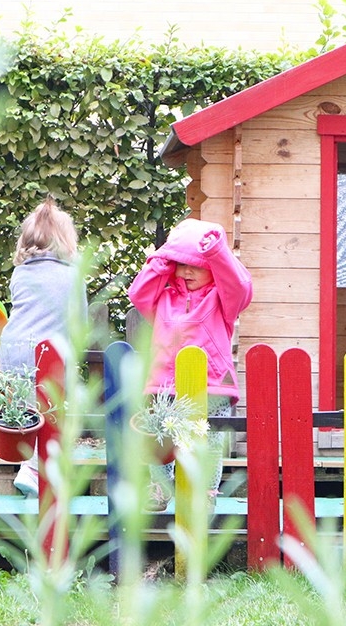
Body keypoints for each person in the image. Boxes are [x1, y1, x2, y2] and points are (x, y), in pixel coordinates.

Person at [127, 217, 253, 511]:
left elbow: (241, 287)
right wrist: (163, 259)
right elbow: (137, 294)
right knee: (160, 438)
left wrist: (218, 254)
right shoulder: (163, 298)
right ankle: (160, 488)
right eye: (180, 264)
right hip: (165, 384)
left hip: (210, 385)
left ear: (213, 267)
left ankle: (205, 493)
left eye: (196, 264)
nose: (186, 271)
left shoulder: (221, 300)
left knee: (207, 441)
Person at [0, 196, 88, 497]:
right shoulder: (73, 275)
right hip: (49, 358)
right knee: (53, 414)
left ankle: (21, 459)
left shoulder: (20, 273)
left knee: (25, 413)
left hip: (13, 352)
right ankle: (34, 470)